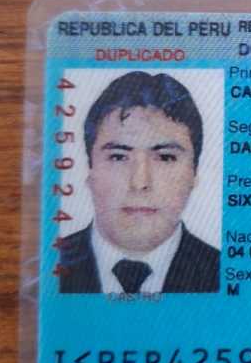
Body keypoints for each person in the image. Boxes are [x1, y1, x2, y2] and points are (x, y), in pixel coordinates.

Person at [59, 71, 219, 293]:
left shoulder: (221, 271)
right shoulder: (50, 264)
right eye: (118, 157)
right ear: (90, 170)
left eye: (165, 157)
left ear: (194, 174)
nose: (140, 182)